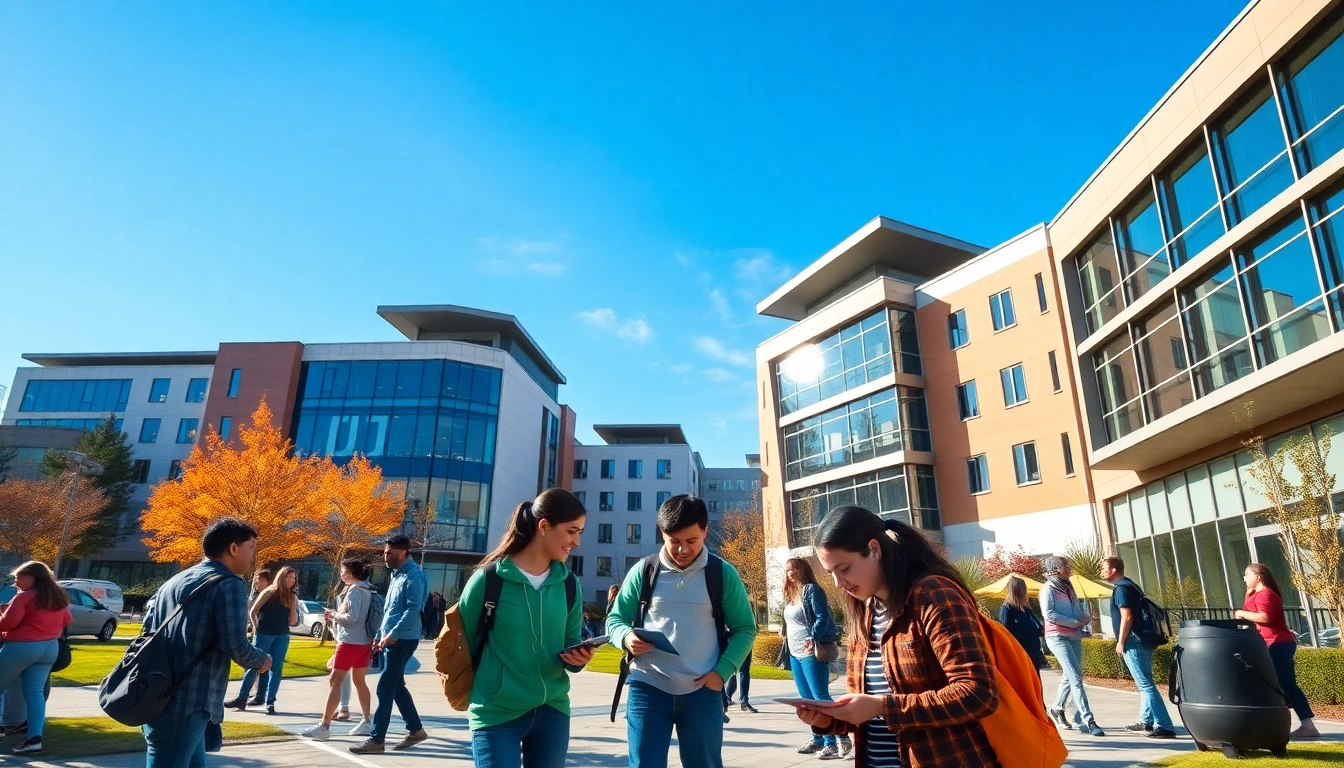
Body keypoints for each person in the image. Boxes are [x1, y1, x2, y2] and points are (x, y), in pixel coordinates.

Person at [790, 506, 1000, 768]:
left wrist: (883, 707)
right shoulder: (865, 610)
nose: (838, 583)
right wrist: (829, 720)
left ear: (875, 550)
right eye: (830, 573)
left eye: (843, 568)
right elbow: (869, 712)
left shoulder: (933, 595)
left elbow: (979, 694)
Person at [607, 495, 757, 768]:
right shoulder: (643, 571)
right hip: (648, 688)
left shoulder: (723, 574)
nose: (683, 549)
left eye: (691, 541)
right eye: (674, 541)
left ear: (705, 531)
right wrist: (626, 637)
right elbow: (616, 619)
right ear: (662, 533)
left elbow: (745, 629)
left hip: (703, 691)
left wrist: (721, 673)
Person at [459, 488, 594, 767]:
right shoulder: (488, 580)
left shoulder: (569, 584)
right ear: (544, 526)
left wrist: (579, 659)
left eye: (579, 532)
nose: (577, 541)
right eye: (571, 531)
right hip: (496, 713)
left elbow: (570, 641)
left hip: (553, 712)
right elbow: (464, 646)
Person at [141, 517, 272, 767]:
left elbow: (147, 630)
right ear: (233, 548)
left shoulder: (177, 580)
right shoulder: (230, 584)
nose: (253, 556)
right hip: (190, 700)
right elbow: (235, 644)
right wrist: (261, 660)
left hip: (156, 693)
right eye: (251, 548)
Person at [350, 534, 428, 755]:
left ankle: (377, 740)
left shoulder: (413, 575)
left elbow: (412, 609)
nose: (385, 556)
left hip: (403, 639)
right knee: (396, 687)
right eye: (385, 552)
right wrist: (380, 634)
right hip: (391, 638)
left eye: (389, 553)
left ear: (403, 553)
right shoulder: (397, 575)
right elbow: (391, 610)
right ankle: (415, 730)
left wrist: (393, 634)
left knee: (385, 688)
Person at [1235, 563, 1318, 740]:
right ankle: (1277, 723)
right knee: (1275, 684)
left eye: (1247, 575)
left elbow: (1265, 617)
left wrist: (1241, 613)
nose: (1244, 579)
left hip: (1277, 643)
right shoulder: (1257, 594)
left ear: (1258, 576)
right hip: (1270, 644)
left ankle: (1307, 726)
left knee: (1285, 684)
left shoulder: (1265, 594)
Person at [1097, 557, 1175, 739]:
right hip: (1144, 639)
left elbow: (1127, 616)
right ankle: (1146, 720)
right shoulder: (1131, 585)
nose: (1101, 571)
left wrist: (1121, 641)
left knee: (1146, 685)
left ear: (1114, 570)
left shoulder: (1121, 589)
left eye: (1103, 568)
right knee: (1145, 682)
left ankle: (1164, 725)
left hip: (1134, 641)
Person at [780, 557, 850, 759]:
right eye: (788, 569)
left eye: (794, 568)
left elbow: (823, 617)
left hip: (812, 651)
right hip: (794, 652)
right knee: (806, 700)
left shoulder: (811, 590)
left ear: (803, 569)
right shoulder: (790, 594)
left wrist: (814, 635)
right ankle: (818, 739)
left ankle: (837, 740)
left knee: (820, 697)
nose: (790, 572)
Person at [0, 561, 72, 755]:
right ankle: (34, 739)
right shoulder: (57, 596)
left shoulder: (23, 597)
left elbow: (6, 624)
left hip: (21, 647)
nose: (15, 582)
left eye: (18, 578)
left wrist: (5, 612)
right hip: (50, 648)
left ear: (32, 577)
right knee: (35, 693)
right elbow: (67, 620)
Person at [301, 559, 376, 740]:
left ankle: (324, 726)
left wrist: (334, 615)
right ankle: (367, 722)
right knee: (359, 681)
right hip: (364, 642)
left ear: (351, 573)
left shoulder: (354, 591)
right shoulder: (367, 590)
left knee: (335, 681)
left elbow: (353, 617)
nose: (341, 574)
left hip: (350, 642)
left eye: (343, 571)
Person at [1041, 556, 1104, 736]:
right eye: (1066, 565)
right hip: (1057, 637)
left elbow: (1078, 611)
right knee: (1076, 677)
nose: (1069, 569)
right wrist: (1074, 622)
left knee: (1071, 676)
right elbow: (1050, 615)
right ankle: (1088, 719)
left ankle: (1057, 708)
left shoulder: (1069, 588)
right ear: (1056, 568)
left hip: (1074, 635)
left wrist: (1085, 618)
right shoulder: (1048, 589)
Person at [226, 566, 298, 714]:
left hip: (282, 635)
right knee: (255, 665)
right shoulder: (269, 592)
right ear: (281, 577)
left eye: (294, 578)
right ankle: (242, 698)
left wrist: (293, 606)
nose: (291, 581)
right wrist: (255, 626)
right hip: (264, 633)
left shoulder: (292, 597)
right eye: (288, 577)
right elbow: (253, 610)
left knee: (276, 668)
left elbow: (292, 621)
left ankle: (270, 701)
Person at [996, 576, 1048, 673]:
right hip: (1019, 651)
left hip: (1032, 650)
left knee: (1034, 677)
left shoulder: (1026, 609)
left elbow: (1037, 629)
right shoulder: (1008, 609)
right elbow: (1006, 632)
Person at [243, 570, 273, 706]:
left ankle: (258, 695)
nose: (257, 583)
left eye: (260, 580)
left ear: (268, 581)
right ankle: (254, 694)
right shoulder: (255, 594)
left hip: (263, 633)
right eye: (256, 581)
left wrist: (257, 628)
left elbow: (254, 611)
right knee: (254, 664)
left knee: (261, 664)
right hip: (254, 632)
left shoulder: (269, 595)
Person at [721, 650, 754, 716]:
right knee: (743, 672)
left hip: (733, 646)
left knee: (733, 670)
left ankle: (728, 698)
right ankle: (743, 700)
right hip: (743, 644)